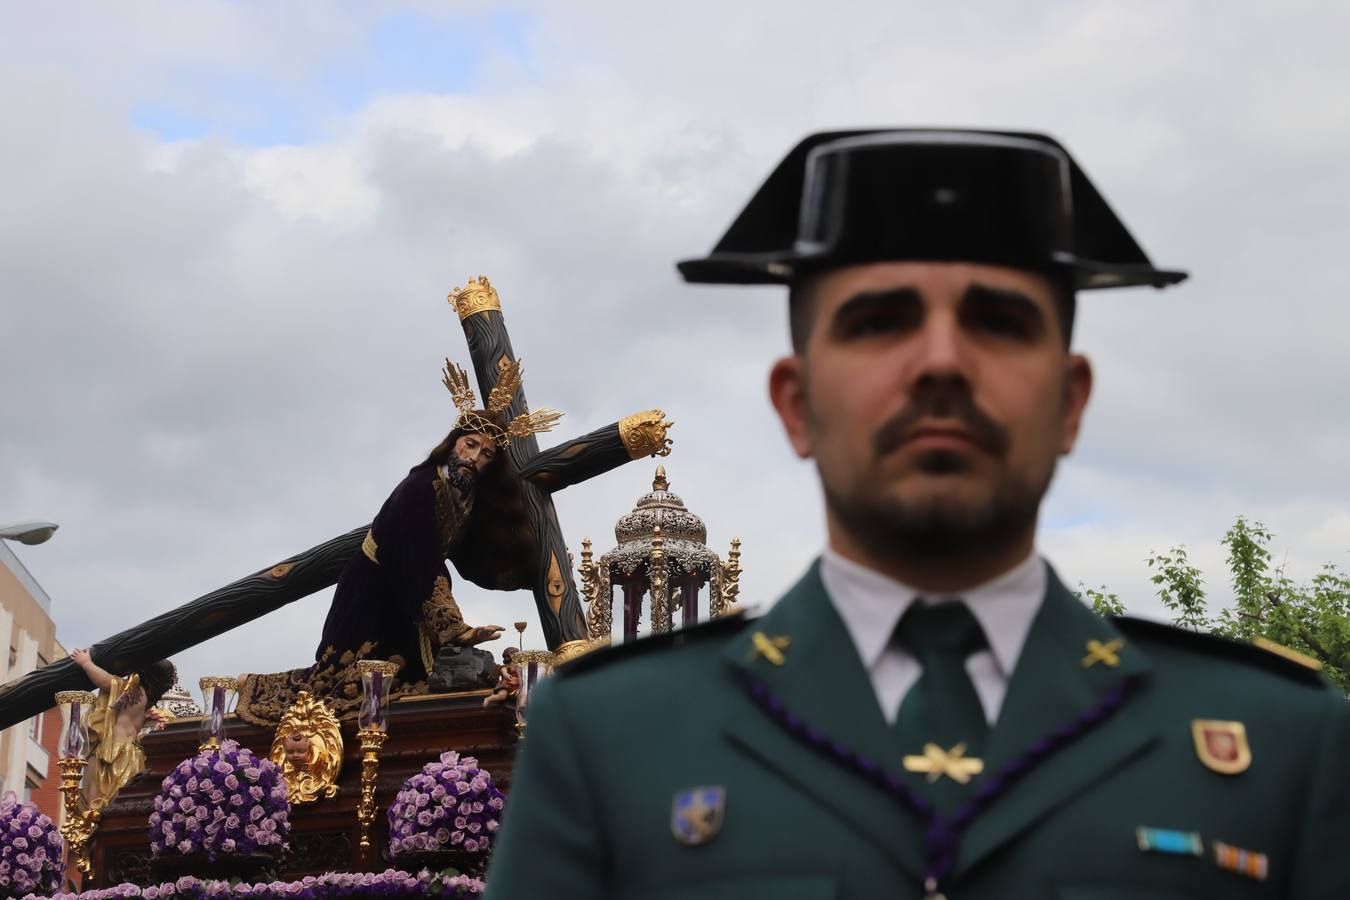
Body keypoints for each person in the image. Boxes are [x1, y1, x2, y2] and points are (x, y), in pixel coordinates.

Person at [484, 130, 1350, 899]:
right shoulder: (608, 740)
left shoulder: (1280, 745)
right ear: (795, 403)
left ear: (1072, 401)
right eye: (879, 323)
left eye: (999, 323)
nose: (941, 362)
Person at [238, 381, 547, 727]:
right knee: (349, 682)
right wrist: (454, 628)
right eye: (471, 445)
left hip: (411, 593)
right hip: (374, 591)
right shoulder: (420, 487)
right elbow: (419, 556)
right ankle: (256, 686)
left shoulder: (465, 495)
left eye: (486, 454)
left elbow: (474, 556)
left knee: (413, 678)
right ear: (454, 442)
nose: (474, 458)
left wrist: (531, 567)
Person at [70, 649, 175, 807]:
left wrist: (86, 663)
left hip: (114, 751)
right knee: (116, 800)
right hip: (132, 754)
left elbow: (105, 682)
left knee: (97, 798)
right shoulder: (145, 699)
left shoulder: (132, 691)